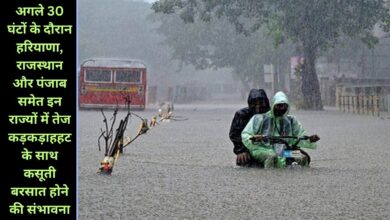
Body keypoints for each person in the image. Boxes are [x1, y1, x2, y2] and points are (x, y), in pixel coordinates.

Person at [241, 91, 320, 168]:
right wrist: (253, 139)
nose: (281, 108)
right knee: (272, 157)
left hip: (284, 152)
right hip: (263, 149)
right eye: (278, 105)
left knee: (302, 158)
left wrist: (310, 139)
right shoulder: (259, 118)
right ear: (273, 105)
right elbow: (245, 134)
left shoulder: (291, 120)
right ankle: (270, 178)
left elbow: (299, 137)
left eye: (284, 106)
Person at [229, 89, 271, 166]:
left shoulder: (274, 114)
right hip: (250, 148)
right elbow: (235, 135)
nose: (258, 107)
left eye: (261, 103)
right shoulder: (242, 115)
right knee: (244, 159)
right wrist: (241, 150)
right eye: (254, 104)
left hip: (273, 146)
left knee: (295, 155)